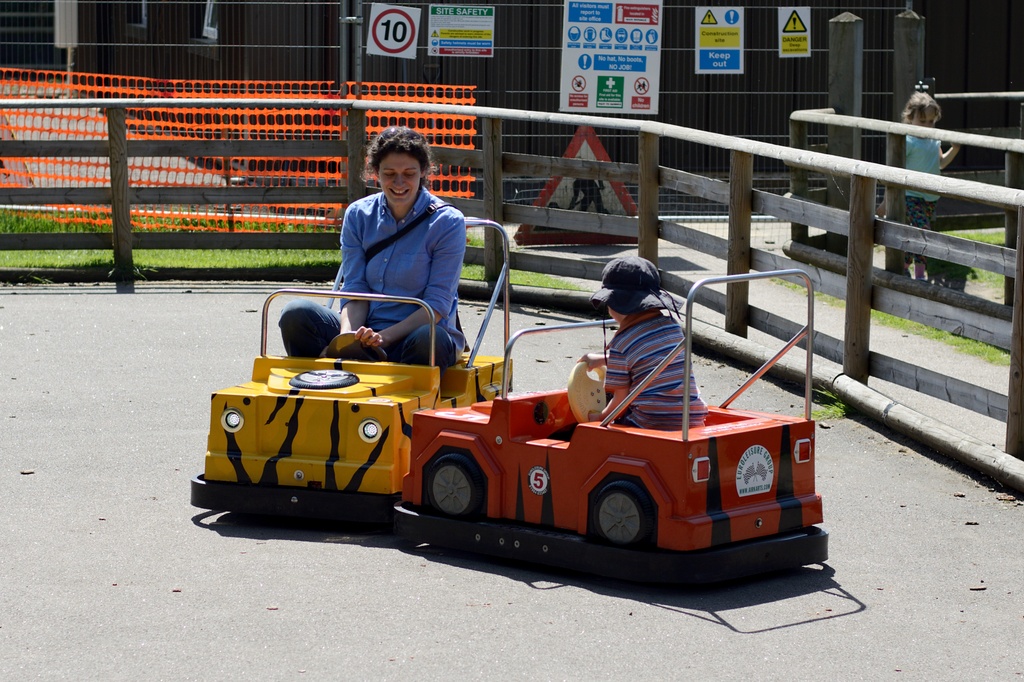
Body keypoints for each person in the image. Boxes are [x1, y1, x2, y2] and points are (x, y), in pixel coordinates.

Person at [278, 126, 466, 371]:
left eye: (409, 173)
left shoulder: (448, 222)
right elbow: (355, 288)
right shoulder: (358, 214)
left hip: (415, 334)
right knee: (295, 314)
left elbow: (437, 305)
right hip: (365, 332)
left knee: (430, 338)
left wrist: (383, 339)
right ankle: (322, 382)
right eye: (389, 173)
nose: (399, 182)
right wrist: (347, 340)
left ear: (423, 172)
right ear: (375, 172)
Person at [578, 256, 707, 430]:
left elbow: (621, 399)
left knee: (606, 427)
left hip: (650, 422)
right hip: (692, 417)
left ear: (614, 305)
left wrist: (599, 418)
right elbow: (647, 359)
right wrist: (603, 359)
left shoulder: (622, 343)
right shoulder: (672, 326)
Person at [893, 91, 961, 280]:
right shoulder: (908, 141)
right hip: (910, 194)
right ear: (910, 118)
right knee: (923, 231)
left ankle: (903, 266)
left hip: (930, 196)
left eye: (931, 121)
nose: (927, 126)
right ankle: (920, 275)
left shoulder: (934, 140)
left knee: (915, 233)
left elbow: (941, 163)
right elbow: (897, 168)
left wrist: (955, 149)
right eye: (922, 121)